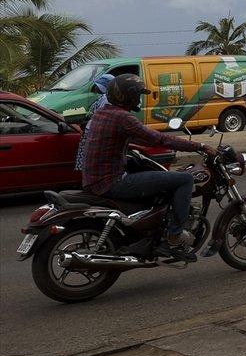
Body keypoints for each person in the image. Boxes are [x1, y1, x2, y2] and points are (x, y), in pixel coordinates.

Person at [80, 74, 215, 261]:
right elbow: (159, 139)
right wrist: (200, 146)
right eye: (137, 95)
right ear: (126, 96)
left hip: (95, 179)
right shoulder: (123, 118)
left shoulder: (102, 113)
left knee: (156, 177)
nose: (139, 99)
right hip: (112, 181)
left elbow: (122, 139)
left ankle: (151, 230)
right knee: (185, 179)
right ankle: (173, 238)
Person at [73, 73, 116, 172]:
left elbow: (100, 115)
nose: (96, 89)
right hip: (92, 130)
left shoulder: (106, 99)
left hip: (94, 131)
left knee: (90, 161)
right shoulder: (105, 97)